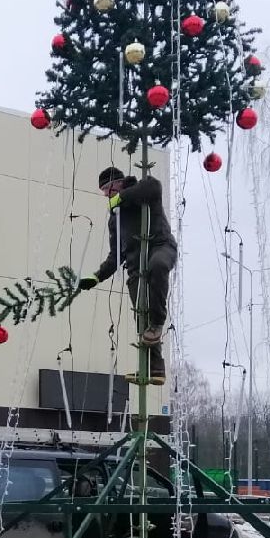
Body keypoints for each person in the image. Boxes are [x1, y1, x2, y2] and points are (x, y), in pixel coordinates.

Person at [78, 165, 177, 385]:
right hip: (134, 266)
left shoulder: (143, 190)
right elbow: (115, 256)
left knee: (158, 266)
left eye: (108, 187)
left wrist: (122, 197)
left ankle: (159, 322)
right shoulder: (116, 218)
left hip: (160, 247)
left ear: (119, 182)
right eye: (103, 190)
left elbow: (154, 187)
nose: (106, 194)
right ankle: (155, 368)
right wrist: (96, 277)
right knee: (141, 314)